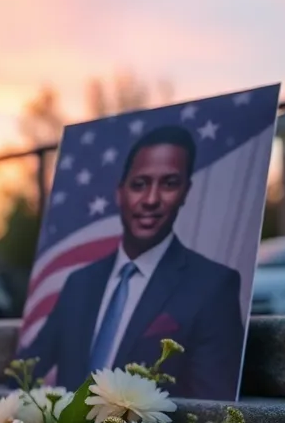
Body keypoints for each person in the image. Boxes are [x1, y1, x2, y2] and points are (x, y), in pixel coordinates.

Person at [27, 125, 245, 400]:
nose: (151, 200)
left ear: (185, 192)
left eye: (169, 184)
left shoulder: (213, 286)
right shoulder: (79, 283)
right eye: (139, 185)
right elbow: (26, 371)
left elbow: (213, 407)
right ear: (120, 192)